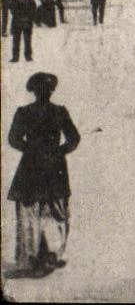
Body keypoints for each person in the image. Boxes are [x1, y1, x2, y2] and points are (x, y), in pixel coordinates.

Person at [6, 72, 81, 276]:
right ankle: (51, 255)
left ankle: (32, 258)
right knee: (55, 211)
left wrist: (31, 150)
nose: (46, 92)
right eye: (45, 89)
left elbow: (14, 139)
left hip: (31, 166)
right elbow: (73, 139)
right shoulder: (59, 111)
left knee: (30, 212)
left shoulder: (24, 112)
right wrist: (57, 152)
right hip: (54, 167)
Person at [10, 0, 38, 64]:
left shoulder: (15, 0)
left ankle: (15, 57)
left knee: (16, 41)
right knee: (28, 41)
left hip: (17, 23)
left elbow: (13, 11)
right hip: (27, 23)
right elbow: (34, 12)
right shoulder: (31, 0)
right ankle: (28, 57)